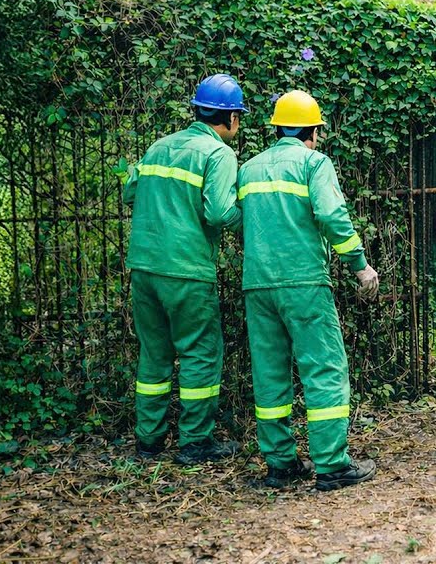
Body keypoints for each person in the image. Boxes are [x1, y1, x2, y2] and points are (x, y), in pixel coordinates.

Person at [237, 89, 380, 491]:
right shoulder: (314, 163)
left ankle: (281, 466)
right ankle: (332, 465)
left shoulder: (247, 169)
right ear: (313, 131)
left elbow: (234, 218)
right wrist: (359, 265)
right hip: (304, 282)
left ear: (278, 127)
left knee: (269, 375)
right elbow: (332, 215)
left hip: (258, 286)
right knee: (324, 369)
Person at [122, 74, 246, 465]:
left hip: (143, 267)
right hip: (187, 270)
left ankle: (149, 442)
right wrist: (256, 220)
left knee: (154, 355)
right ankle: (195, 443)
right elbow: (220, 211)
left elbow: (129, 192)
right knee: (198, 354)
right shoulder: (218, 154)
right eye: (238, 116)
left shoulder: (159, 146)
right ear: (228, 118)